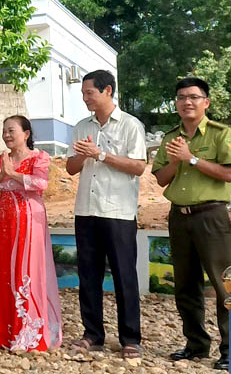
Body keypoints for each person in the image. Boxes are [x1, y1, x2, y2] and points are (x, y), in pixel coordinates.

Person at [153, 77, 231, 371]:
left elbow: (228, 174)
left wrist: (190, 159)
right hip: (179, 216)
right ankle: (196, 344)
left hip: (211, 216)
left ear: (206, 102)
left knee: (224, 284)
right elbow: (161, 178)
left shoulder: (220, 133)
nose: (186, 102)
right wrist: (176, 161)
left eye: (193, 96)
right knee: (186, 284)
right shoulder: (170, 138)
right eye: (180, 97)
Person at [65, 70, 146, 359]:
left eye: (90, 92)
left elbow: (138, 167)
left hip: (118, 212)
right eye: (83, 93)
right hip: (86, 210)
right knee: (88, 274)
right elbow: (70, 169)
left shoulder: (130, 126)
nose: (86, 97)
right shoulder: (80, 126)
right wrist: (83, 156)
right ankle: (93, 334)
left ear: (108, 90)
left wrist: (101, 155)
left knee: (124, 275)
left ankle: (130, 338)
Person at [0, 115, 62, 351]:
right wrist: (2, 174)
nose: (6, 135)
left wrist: (12, 174)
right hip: (4, 219)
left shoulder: (39, 157)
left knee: (27, 268)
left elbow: (41, 184)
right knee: (5, 269)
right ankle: (4, 329)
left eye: (11, 130)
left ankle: (27, 329)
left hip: (30, 218)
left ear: (26, 134)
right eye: (4, 130)